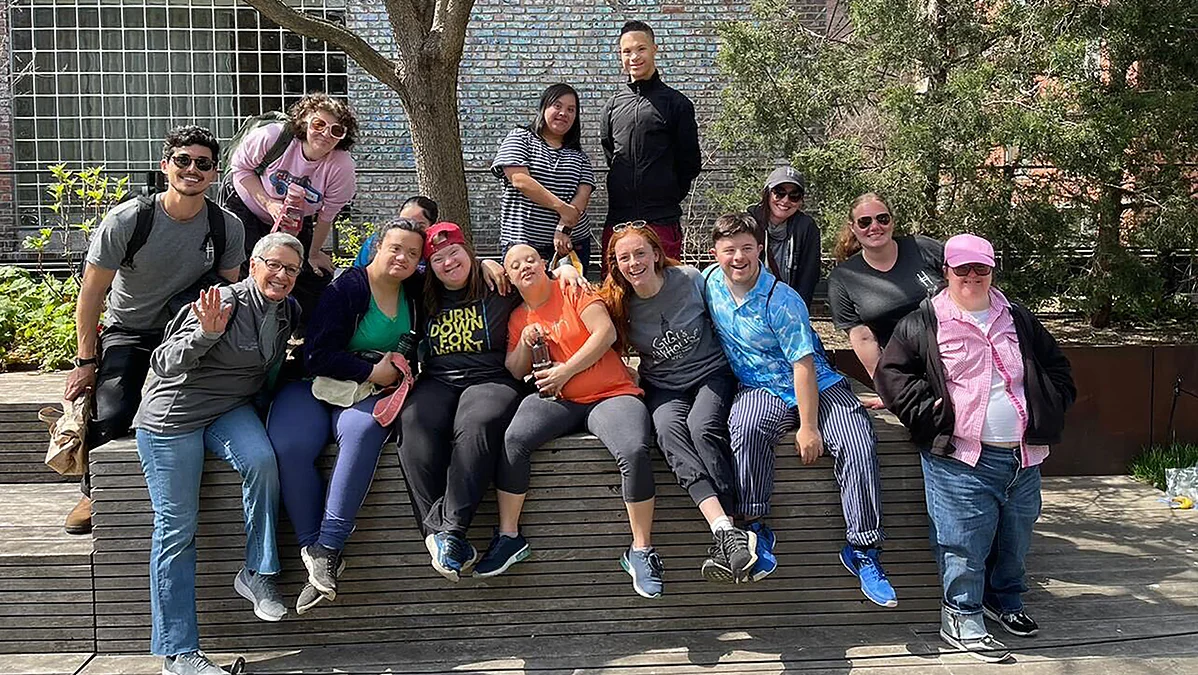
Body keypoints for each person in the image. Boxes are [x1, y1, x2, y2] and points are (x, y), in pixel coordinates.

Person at [874, 234, 1075, 663]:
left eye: (980, 268)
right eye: (962, 268)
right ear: (946, 270)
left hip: (1023, 457)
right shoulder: (925, 321)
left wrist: (1051, 403)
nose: (971, 276)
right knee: (961, 544)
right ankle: (961, 618)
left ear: (992, 270)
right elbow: (891, 376)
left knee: (1016, 540)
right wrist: (931, 415)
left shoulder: (1016, 317)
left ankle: (1005, 602)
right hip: (962, 459)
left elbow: (1057, 367)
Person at [700, 213, 897, 607]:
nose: (738, 257)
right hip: (760, 386)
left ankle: (863, 549)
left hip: (816, 384)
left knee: (857, 441)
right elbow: (662, 273)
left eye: (747, 248)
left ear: (760, 249)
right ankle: (756, 529)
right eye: (729, 250)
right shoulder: (708, 282)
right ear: (715, 254)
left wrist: (808, 427)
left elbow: (803, 364)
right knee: (745, 426)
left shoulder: (782, 299)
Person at [132, 232, 302, 675]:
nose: (281, 275)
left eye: (291, 269)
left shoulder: (287, 311)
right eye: (274, 264)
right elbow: (163, 363)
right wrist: (206, 335)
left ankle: (257, 572)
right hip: (174, 416)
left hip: (228, 410)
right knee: (176, 529)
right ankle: (179, 654)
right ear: (253, 265)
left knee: (263, 462)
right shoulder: (222, 301)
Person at [62, 125, 245, 535]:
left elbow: (227, 291)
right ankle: (93, 493)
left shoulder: (226, 226)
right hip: (130, 329)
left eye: (203, 164)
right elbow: (91, 294)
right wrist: (85, 361)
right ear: (165, 166)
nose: (192, 169)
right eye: (183, 160)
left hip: (187, 331)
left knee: (217, 408)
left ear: (215, 173)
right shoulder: (130, 219)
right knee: (112, 413)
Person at [398, 223, 585, 581]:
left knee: (476, 423)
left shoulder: (497, 284)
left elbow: (537, 279)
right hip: (439, 378)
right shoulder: (420, 291)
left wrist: (564, 270)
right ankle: (438, 535)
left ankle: (453, 530)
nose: (448, 262)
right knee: (412, 422)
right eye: (438, 259)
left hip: (492, 377)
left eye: (454, 252)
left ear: (468, 251)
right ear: (429, 267)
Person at [474, 244, 662, 599]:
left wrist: (565, 371)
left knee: (634, 449)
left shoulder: (572, 288)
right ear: (509, 278)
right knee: (514, 439)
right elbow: (514, 369)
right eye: (515, 265)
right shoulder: (518, 317)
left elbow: (605, 334)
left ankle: (641, 550)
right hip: (559, 402)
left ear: (544, 264)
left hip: (611, 394)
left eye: (530, 259)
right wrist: (525, 343)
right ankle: (509, 537)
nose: (525, 266)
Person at [267, 219, 425, 615]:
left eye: (412, 253)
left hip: (366, 396)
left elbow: (461, 273)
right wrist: (371, 370)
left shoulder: (415, 291)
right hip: (314, 384)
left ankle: (330, 545)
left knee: (364, 429)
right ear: (376, 247)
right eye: (395, 248)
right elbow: (316, 355)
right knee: (290, 445)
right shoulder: (347, 288)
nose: (403, 258)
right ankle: (315, 553)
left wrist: (488, 265)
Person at [599, 223, 758, 583]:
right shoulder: (618, 302)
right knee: (669, 432)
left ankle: (733, 524)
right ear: (615, 264)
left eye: (640, 253)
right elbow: (583, 308)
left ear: (656, 254)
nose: (634, 263)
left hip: (710, 374)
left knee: (702, 427)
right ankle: (725, 532)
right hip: (664, 386)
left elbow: (729, 311)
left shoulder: (689, 279)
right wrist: (563, 269)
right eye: (624, 257)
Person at [225, 92, 358, 318]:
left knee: (310, 277)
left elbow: (328, 214)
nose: (325, 134)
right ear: (304, 120)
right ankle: (240, 323)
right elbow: (241, 170)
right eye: (319, 124)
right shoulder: (273, 136)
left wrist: (313, 253)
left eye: (336, 130)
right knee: (247, 270)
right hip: (247, 207)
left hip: (294, 221)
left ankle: (300, 330)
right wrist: (269, 203)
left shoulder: (342, 166)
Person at [599, 20, 701, 268]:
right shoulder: (612, 107)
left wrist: (665, 192)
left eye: (641, 49)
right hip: (619, 221)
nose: (634, 57)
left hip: (660, 220)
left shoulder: (677, 104)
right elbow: (612, 157)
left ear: (654, 49)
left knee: (664, 287)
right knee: (615, 290)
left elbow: (690, 163)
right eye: (627, 51)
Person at [826, 194, 943, 393]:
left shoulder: (922, 247)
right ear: (853, 227)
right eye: (864, 222)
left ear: (892, 221)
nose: (875, 227)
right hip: (907, 374)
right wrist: (887, 389)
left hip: (956, 356)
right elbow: (863, 338)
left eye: (882, 219)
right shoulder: (843, 278)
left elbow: (965, 281)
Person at [492, 84, 596, 273]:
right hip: (524, 245)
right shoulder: (520, 138)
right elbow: (519, 179)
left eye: (571, 109)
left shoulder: (580, 157)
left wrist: (564, 228)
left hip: (571, 244)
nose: (563, 113)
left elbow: (583, 195)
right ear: (544, 107)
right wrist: (561, 208)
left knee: (572, 291)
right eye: (557, 106)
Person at [747, 166, 822, 308]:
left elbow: (809, 276)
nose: (785, 200)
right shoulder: (749, 223)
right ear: (767, 193)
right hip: (750, 303)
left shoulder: (807, 227)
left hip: (787, 306)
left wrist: (797, 309)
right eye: (779, 193)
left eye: (794, 196)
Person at [353, 196, 438, 268]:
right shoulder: (376, 241)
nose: (410, 228)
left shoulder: (435, 250)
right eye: (404, 221)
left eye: (419, 226)